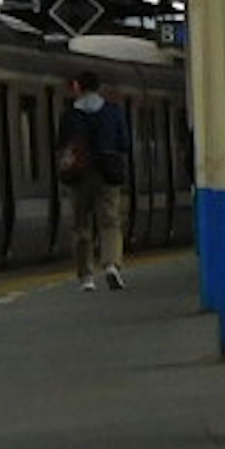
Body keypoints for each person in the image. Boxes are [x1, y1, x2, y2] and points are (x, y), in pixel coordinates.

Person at [59, 72, 134, 289]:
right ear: (99, 88)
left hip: (79, 177)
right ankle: (111, 264)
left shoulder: (69, 116)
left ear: (77, 87)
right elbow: (124, 143)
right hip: (107, 175)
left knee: (81, 225)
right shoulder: (112, 112)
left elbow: (62, 145)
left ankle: (86, 276)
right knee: (110, 222)